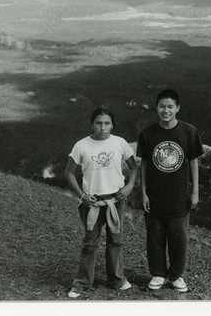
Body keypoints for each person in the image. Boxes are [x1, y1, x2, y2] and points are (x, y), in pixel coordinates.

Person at [65, 107, 137, 298]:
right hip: (92, 201)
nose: (102, 127)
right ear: (92, 124)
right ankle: (82, 283)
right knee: (90, 242)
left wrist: (129, 186)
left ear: (112, 125)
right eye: (98, 123)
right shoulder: (82, 145)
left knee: (116, 240)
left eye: (106, 123)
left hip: (116, 199)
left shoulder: (120, 143)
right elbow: (69, 173)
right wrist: (82, 196)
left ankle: (117, 278)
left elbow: (133, 167)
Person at [137, 88, 204, 293]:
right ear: (156, 108)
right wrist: (143, 192)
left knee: (178, 238)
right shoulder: (147, 133)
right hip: (155, 196)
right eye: (162, 106)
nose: (166, 110)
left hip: (179, 196)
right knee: (154, 237)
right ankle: (158, 273)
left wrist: (195, 192)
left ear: (178, 108)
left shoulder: (189, 132)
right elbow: (145, 165)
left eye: (170, 107)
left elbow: (193, 162)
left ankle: (176, 276)